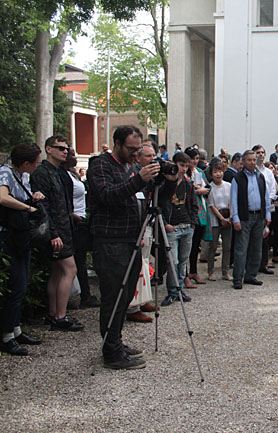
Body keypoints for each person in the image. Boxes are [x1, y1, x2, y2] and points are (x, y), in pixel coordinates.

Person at [87, 125, 176, 370]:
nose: (136, 155)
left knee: (126, 296)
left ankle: (115, 341)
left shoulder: (131, 166)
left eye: (139, 150)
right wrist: (139, 179)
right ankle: (111, 352)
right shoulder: (100, 165)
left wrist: (167, 181)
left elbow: (153, 197)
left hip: (132, 239)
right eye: (131, 149)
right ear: (116, 143)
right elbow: (107, 195)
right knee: (113, 297)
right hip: (110, 240)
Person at [30, 136, 83, 332]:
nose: (65, 151)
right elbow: (43, 206)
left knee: (58, 272)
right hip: (56, 230)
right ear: (48, 149)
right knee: (70, 270)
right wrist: (53, 234)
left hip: (64, 227)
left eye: (66, 149)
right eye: (60, 148)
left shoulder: (60, 172)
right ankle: (60, 316)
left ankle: (54, 314)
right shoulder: (42, 173)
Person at [0, 143, 45, 355]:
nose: (38, 165)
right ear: (26, 163)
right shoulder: (6, 173)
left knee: (22, 283)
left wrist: (33, 197)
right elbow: (2, 197)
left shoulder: (23, 176)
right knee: (15, 284)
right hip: (9, 236)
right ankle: (6, 335)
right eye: (36, 162)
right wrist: (27, 206)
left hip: (22, 235)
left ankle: (16, 329)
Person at [63, 148, 100, 309]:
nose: (75, 157)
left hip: (83, 220)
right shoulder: (63, 176)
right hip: (75, 222)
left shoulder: (72, 175)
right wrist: (74, 216)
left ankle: (85, 293)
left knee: (82, 260)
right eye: (72, 154)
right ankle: (82, 294)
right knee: (78, 261)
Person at [124, 143, 158, 323]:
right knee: (135, 267)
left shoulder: (152, 177)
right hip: (137, 227)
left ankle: (143, 299)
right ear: (138, 158)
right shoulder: (133, 175)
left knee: (145, 265)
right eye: (148, 157)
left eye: (154, 156)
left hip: (148, 224)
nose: (152, 160)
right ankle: (132, 307)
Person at [230, 150, 272, 290]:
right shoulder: (238, 178)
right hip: (244, 217)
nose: (252, 162)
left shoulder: (260, 177)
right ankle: (237, 278)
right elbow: (234, 199)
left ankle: (251, 275)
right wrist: (235, 218)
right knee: (241, 249)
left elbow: (265, 197)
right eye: (249, 160)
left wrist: (267, 215)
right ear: (243, 161)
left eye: (254, 160)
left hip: (259, 216)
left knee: (256, 248)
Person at [160, 152, 197, 306]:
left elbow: (194, 205)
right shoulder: (165, 183)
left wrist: (192, 223)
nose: (183, 169)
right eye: (181, 165)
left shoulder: (188, 185)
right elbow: (159, 204)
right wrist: (164, 222)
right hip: (172, 227)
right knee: (172, 261)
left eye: (186, 166)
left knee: (182, 261)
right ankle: (172, 291)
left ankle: (180, 288)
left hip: (187, 226)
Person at [184, 147, 210, 287]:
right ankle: (185, 274)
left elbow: (208, 186)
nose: (194, 161)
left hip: (201, 210)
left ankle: (193, 271)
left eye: (196, 159)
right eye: (192, 159)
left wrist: (202, 190)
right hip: (188, 211)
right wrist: (197, 191)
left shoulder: (199, 172)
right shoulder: (184, 174)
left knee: (195, 245)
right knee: (186, 246)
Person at [252, 145, 278, 275]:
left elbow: (273, 188)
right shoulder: (251, 171)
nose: (260, 155)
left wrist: (269, 199)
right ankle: (252, 265)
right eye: (258, 152)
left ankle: (263, 263)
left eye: (262, 152)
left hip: (267, 207)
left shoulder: (268, 172)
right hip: (255, 207)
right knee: (254, 237)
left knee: (266, 236)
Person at [206, 158, 232, 281]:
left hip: (228, 217)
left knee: (227, 247)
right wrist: (221, 218)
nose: (218, 174)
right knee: (213, 246)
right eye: (215, 171)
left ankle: (225, 271)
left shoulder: (229, 186)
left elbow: (231, 202)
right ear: (211, 174)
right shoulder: (209, 188)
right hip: (215, 219)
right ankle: (210, 271)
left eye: (220, 171)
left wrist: (230, 216)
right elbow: (211, 205)